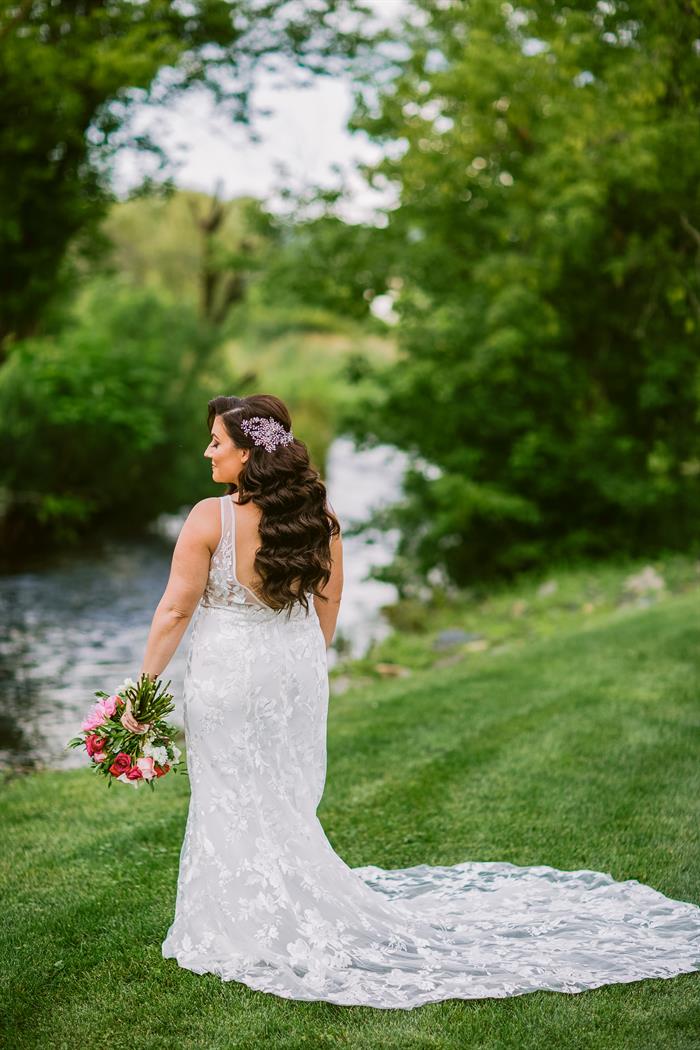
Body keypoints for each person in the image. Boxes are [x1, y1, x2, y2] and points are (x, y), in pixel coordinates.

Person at [144, 393, 700, 1009]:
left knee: (229, 788)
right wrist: (305, 664)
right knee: (276, 790)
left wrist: (142, 690)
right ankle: (274, 905)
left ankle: (238, 923)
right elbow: (329, 601)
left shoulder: (209, 518)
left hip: (227, 673)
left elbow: (174, 611)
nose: (208, 452)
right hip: (290, 669)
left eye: (217, 442)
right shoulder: (317, 515)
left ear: (249, 453)